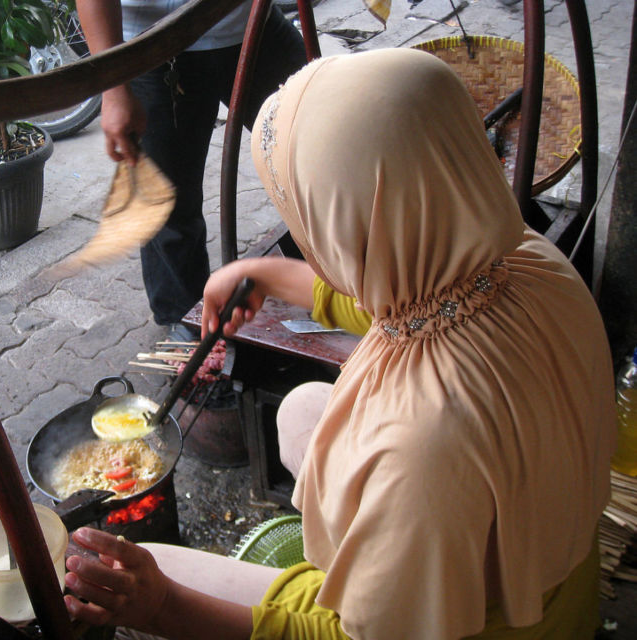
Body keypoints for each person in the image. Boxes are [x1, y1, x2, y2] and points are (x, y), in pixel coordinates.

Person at [63, 48, 617, 639]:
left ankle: (372, 573)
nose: (308, 239)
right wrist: (265, 274)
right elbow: (404, 294)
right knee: (303, 408)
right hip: (549, 571)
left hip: (472, 624)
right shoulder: (530, 261)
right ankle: (384, 559)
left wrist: (164, 607)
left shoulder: (422, 446)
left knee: (152, 568)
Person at [75, 0, 308, 337]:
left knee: (317, 148)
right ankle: (189, 327)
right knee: (168, 205)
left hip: (250, 22)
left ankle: (335, 276)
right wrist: (114, 88)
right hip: (154, 45)